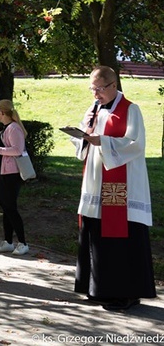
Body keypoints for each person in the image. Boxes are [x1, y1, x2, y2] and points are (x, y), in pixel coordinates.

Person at [70, 65, 156, 311]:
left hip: (123, 188)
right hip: (96, 184)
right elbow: (83, 137)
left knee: (121, 239)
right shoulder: (93, 109)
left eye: (98, 89)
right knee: (96, 232)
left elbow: (136, 144)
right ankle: (98, 289)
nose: (95, 94)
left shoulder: (131, 110)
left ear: (113, 85)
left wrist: (103, 141)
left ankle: (125, 294)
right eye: (92, 89)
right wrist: (81, 136)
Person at [0, 100, 30, 256]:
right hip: (4, 172)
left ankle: (23, 243)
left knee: (10, 207)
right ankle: (8, 242)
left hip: (12, 174)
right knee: (6, 207)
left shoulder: (13, 128)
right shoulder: (7, 129)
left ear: (2, 112)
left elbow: (17, 150)